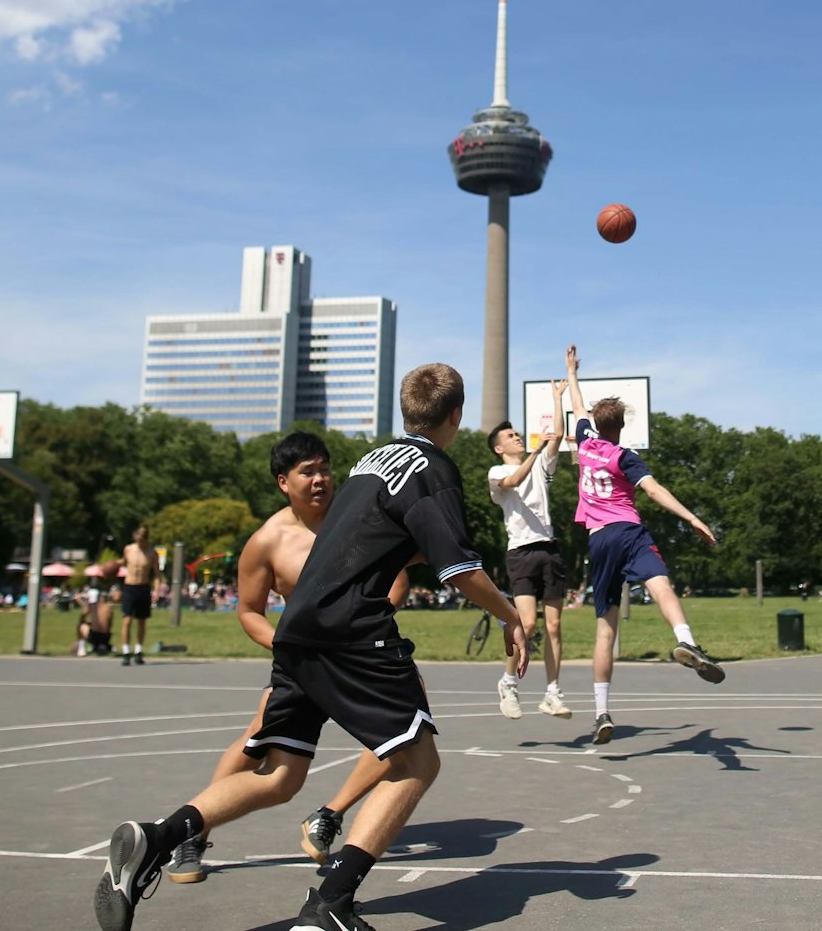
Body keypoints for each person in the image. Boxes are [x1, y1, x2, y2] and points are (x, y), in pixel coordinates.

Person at [94, 363, 528, 931]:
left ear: (405, 412)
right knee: (417, 761)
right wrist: (512, 617)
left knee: (279, 776)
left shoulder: (371, 462)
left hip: (297, 631)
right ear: (457, 415)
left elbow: (376, 541)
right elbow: (459, 569)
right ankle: (330, 904)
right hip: (351, 632)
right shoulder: (433, 469)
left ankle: (158, 837)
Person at [164, 430, 421, 885]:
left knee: (406, 732)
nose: (321, 479)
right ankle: (193, 832)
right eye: (308, 472)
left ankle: (328, 815)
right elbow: (249, 611)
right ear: (284, 482)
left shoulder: (361, 520)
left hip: (359, 654)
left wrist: (361, 622)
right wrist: (287, 643)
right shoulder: (267, 540)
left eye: (325, 468)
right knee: (258, 746)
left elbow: (398, 579)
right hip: (302, 662)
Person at [563, 344, 724, 747]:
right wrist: (692, 518)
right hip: (628, 532)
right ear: (622, 426)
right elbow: (653, 491)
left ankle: (601, 712)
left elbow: (579, 406)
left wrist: (571, 373)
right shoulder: (624, 456)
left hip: (598, 541)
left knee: (605, 630)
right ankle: (685, 639)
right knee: (662, 585)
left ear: (597, 425)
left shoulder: (585, 444)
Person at [487, 378, 572, 720]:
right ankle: (509, 683)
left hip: (548, 549)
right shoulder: (498, 471)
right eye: (510, 436)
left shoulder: (540, 463)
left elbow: (560, 435)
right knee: (528, 624)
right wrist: (535, 450)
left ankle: (552, 691)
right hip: (521, 552)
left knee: (553, 626)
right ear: (499, 447)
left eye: (517, 434)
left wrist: (557, 399)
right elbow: (514, 481)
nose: (517, 437)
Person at [119, 525, 157, 665]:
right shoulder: (128, 549)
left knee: (141, 621)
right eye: (138, 539)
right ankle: (125, 651)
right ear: (135, 537)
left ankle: (138, 651)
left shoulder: (152, 553)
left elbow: (157, 574)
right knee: (127, 620)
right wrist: (111, 566)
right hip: (129, 586)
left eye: (143, 540)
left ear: (146, 539)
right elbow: (123, 562)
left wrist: (157, 590)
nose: (141, 543)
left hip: (144, 587)